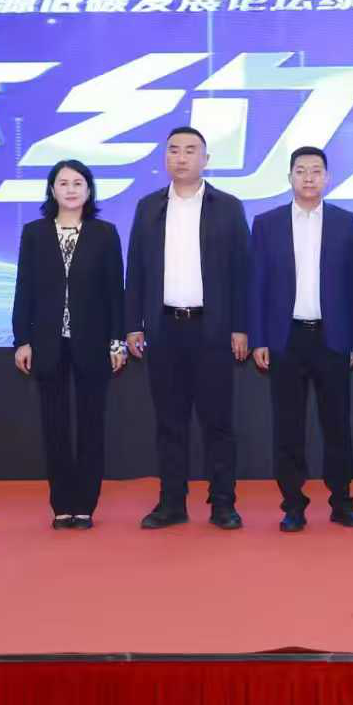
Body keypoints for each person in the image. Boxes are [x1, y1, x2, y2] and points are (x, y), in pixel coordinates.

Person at [124, 126, 250, 530]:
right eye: (174, 150)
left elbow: (242, 272)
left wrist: (241, 327)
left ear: (205, 159)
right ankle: (171, 503)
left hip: (213, 329)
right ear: (165, 158)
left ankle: (223, 503)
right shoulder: (148, 207)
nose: (181, 157)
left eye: (191, 150)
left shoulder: (228, 207)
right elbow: (136, 270)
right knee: (169, 422)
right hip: (163, 329)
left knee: (218, 422)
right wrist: (132, 325)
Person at [248, 146, 353, 532]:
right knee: (288, 427)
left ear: (327, 178)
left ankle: (342, 502)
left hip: (333, 338)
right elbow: (257, 285)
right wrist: (259, 338)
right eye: (301, 170)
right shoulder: (267, 224)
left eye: (316, 170)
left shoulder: (346, 222)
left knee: (337, 425)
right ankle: (293, 505)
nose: (309, 177)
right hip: (286, 339)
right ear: (290, 177)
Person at [12, 159, 126, 530]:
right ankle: (62, 505)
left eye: (78, 183)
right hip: (47, 344)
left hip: (93, 343)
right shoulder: (34, 233)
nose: (71, 189)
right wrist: (22, 340)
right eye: (63, 183)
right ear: (52, 190)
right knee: (55, 426)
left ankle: (85, 505)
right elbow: (24, 289)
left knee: (91, 425)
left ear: (89, 190)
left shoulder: (105, 233)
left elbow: (115, 292)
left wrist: (117, 342)